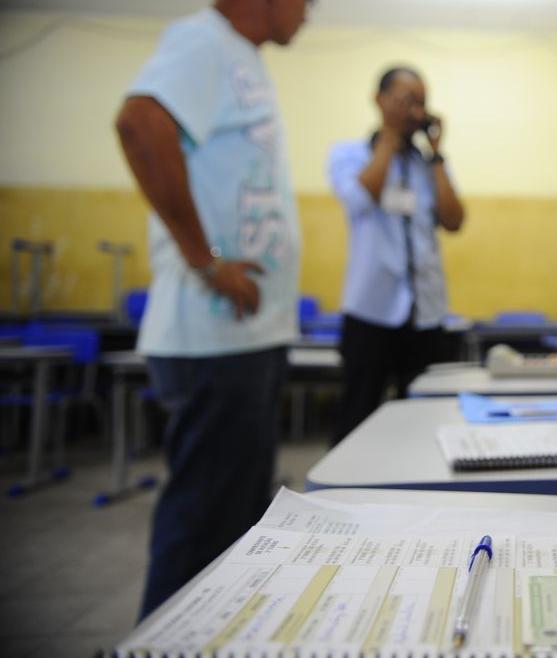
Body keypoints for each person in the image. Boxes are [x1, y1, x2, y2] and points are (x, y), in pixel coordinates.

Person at [114, 0, 308, 618]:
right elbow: (140, 122)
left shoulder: (239, 57)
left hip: (245, 338)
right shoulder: (205, 41)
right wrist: (205, 260)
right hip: (214, 339)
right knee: (202, 528)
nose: (311, 12)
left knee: (234, 532)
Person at [328, 66, 466, 445]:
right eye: (406, 100)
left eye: (421, 102)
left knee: (424, 422)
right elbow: (359, 198)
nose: (415, 112)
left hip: (426, 313)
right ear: (379, 99)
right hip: (371, 311)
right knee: (356, 418)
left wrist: (437, 155)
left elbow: (454, 220)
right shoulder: (349, 154)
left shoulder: (428, 166)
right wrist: (388, 137)